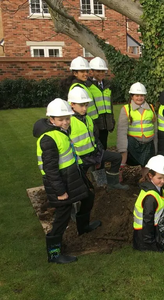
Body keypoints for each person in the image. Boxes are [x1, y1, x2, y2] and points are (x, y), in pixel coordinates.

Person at [33, 98, 101, 264]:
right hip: (60, 182)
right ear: (51, 120)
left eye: (67, 118)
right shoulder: (48, 139)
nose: (65, 122)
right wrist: (60, 191)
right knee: (62, 216)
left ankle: (83, 227)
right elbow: (50, 170)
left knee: (88, 197)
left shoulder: (61, 132)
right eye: (61, 119)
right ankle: (54, 254)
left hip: (72, 176)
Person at [68, 87, 129, 190]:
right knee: (81, 183)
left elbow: (96, 138)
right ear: (72, 104)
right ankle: (91, 190)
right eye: (81, 105)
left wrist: (99, 152)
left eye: (86, 105)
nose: (84, 108)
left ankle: (111, 184)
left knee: (117, 158)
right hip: (81, 159)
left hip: (95, 153)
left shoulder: (88, 119)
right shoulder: (68, 122)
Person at [117, 82, 156, 178]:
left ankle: (145, 180)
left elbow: (154, 127)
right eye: (137, 95)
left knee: (147, 163)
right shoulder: (126, 109)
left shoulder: (150, 107)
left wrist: (156, 144)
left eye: (142, 95)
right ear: (131, 96)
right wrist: (122, 147)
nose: (139, 98)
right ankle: (119, 177)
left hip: (148, 142)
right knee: (123, 159)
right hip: (133, 142)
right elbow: (121, 130)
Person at [87, 57, 115, 150]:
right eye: (98, 71)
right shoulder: (88, 86)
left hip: (105, 123)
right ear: (91, 71)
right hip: (94, 122)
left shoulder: (107, 85)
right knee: (95, 147)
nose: (101, 73)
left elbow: (109, 105)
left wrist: (111, 121)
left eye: (103, 71)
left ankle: (102, 163)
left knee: (104, 146)